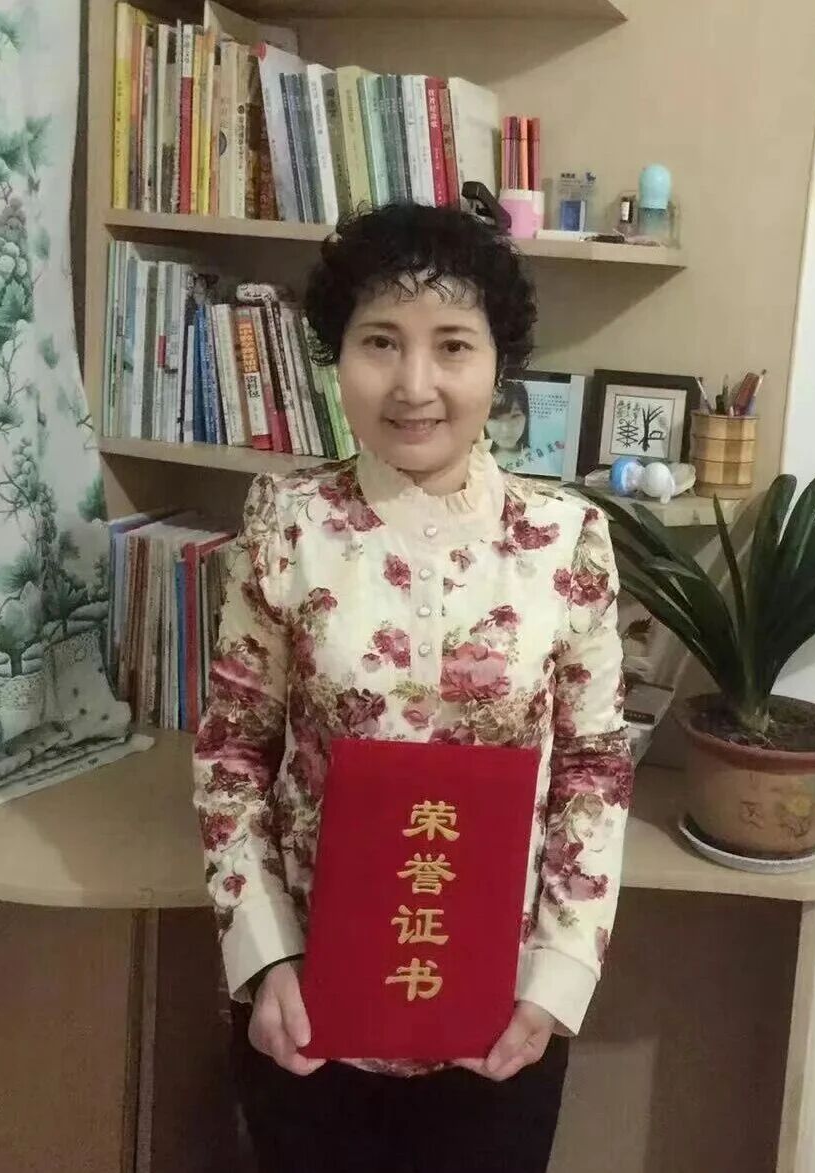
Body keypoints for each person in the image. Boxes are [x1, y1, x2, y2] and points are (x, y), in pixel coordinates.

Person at [193, 203, 633, 1173]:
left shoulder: (567, 539)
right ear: (337, 354)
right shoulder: (287, 522)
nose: (415, 384)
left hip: (499, 1016)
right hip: (309, 1008)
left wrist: (557, 978)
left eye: (453, 346)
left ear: (498, 365)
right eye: (381, 342)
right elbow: (232, 751)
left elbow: (595, 769)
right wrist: (263, 953)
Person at [485, 378, 531, 472]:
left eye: (515, 416)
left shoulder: (539, 460)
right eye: (494, 418)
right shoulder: (472, 463)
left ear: (526, 416)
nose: (505, 429)